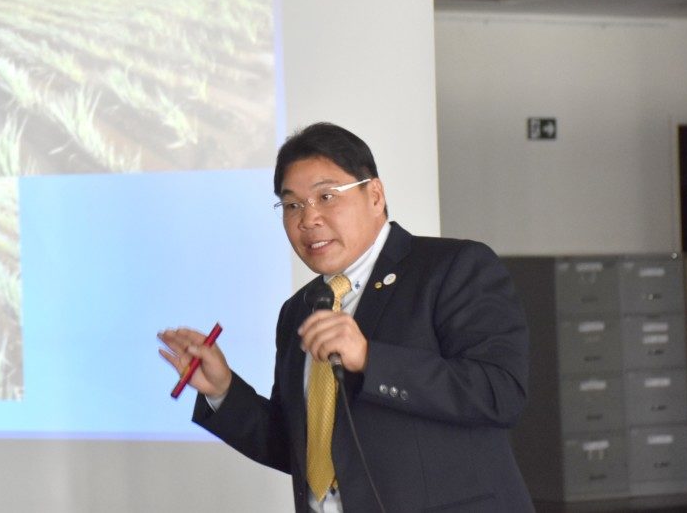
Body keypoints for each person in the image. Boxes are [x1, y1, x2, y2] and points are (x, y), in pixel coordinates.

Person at [159, 122, 532, 512]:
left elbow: (500, 393)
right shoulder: (299, 310)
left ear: (375, 195)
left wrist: (371, 359)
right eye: (292, 205)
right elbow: (302, 448)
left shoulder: (452, 267)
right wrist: (222, 390)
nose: (308, 219)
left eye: (327, 196)